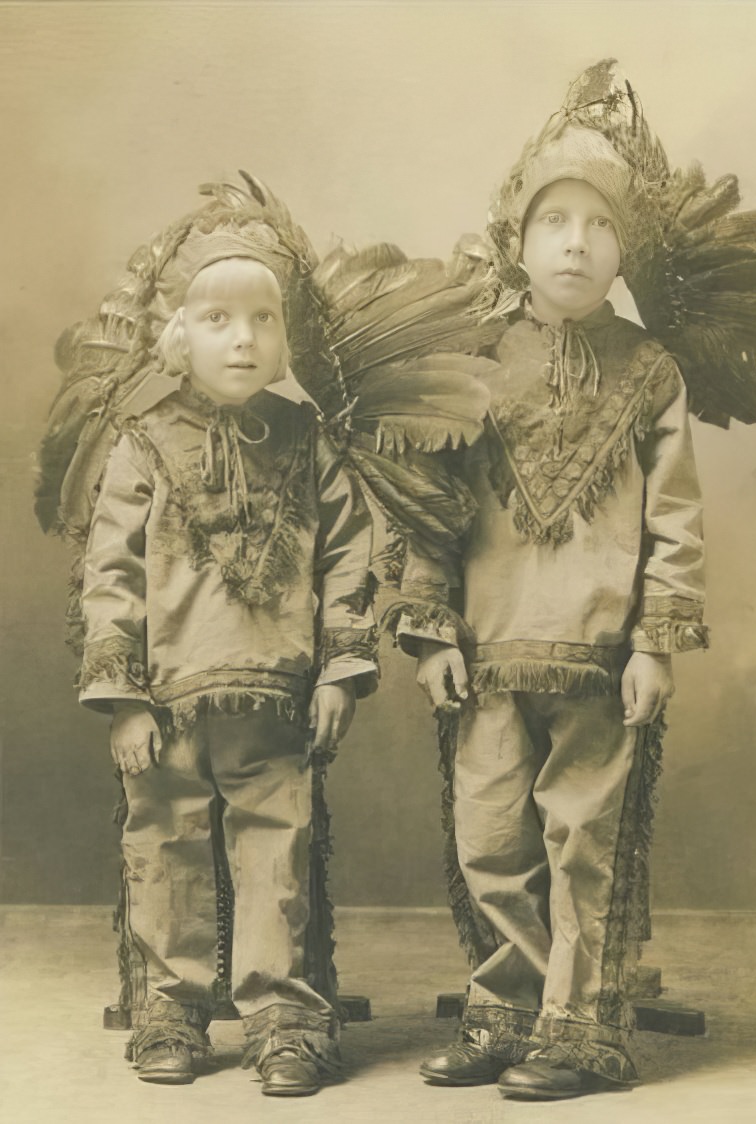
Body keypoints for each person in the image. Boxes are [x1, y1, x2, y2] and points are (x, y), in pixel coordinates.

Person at [392, 116, 708, 1101]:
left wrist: (654, 643)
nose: (574, 242)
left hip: (599, 658)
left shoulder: (651, 370)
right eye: (552, 222)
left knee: (583, 840)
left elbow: (675, 519)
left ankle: (581, 1027)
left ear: (623, 250)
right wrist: (429, 625)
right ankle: (508, 1005)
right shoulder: (473, 360)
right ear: (514, 241)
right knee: (489, 835)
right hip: (487, 651)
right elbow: (431, 507)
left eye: (596, 226)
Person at [78, 218, 378, 1096]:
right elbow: (112, 571)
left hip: (275, 696)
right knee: (163, 846)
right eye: (217, 319)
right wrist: (123, 697)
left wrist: (338, 671)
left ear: (288, 335)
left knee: (275, 852)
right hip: (167, 698)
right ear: (180, 334)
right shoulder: (142, 441)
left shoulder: (307, 438)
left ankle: (282, 1016)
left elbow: (347, 557)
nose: (243, 338)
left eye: (263, 319)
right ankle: (170, 1008)